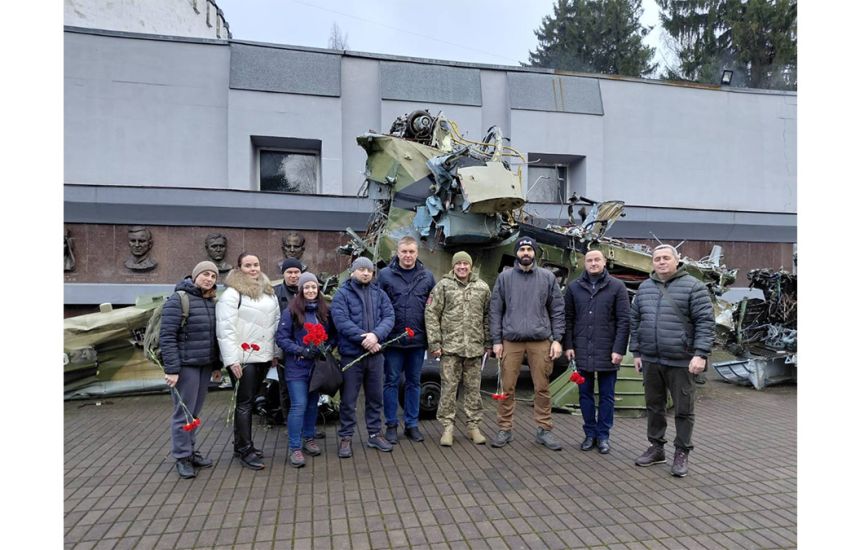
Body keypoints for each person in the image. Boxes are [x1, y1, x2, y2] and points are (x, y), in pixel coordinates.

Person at [630, 244, 715, 478]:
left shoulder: (694, 287)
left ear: (677, 261)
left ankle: (682, 451)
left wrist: (700, 354)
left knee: (683, 409)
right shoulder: (645, 288)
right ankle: (656, 448)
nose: (661, 262)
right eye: (657, 258)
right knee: (654, 406)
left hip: (682, 360)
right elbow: (635, 322)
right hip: (651, 358)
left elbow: (705, 323)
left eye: (666, 258)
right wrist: (636, 352)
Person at [488, 236, 565, 451]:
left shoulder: (548, 278)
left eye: (529, 249)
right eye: (521, 249)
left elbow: (557, 310)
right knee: (507, 387)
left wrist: (557, 340)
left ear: (535, 253)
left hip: (540, 341)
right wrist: (496, 340)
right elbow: (495, 311)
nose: (525, 253)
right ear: (516, 253)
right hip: (511, 341)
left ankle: (544, 429)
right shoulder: (504, 278)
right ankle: (504, 428)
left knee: (542, 387)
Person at [216, 252, 281, 470]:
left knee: (251, 402)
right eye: (248, 265)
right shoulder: (233, 294)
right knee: (244, 404)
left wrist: (275, 353)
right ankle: (245, 449)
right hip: (243, 359)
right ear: (239, 268)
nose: (253, 269)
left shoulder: (268, 291)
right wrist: (231, 360)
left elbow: (276, 324)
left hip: (264, 356)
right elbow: (225, 329)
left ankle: (242, 445)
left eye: (256, 264)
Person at [563, 249, 630, 455]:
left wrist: (618, 349)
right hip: (582, 350)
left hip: (608, 351)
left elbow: (624, 321)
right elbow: (568, 319)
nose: (593, 263)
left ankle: (603, 435)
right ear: (585, 264)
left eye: (597, 260)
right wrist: (569, 345)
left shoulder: (617, 287)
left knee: (607, 396)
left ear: (604, 262)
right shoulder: (574, 287)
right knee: (585, 395)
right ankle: (589, 433)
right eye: (589, 260)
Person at [161, 261, 222, 479]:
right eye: (205, 274)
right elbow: (166, 337)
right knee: (183, 413)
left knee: (193, 413)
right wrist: (172, 369)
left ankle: (190, 450)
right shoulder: (178, 300)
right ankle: (182, 457)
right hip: (185, 366)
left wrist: (216, 366)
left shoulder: (210, 301)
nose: (209, 279)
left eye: (213, 276)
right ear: (195, 276)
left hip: (204, 364)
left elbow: (213, 337)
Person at [330, 257, 395, 458]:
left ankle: (375, 434)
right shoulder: (342, 294)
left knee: (375, 397)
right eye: (361, 270)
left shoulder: (380, 294)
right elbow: (341, 321)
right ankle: (346, 438)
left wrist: (376, 335)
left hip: (375, 356)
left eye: (369, 270)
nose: (366, 273)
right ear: (353, 272)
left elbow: (389, 317)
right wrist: (364, 339)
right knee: (349, 399)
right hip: (352, 356)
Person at [425, 251, 491, 447]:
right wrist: (435, 344)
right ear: (453, 266)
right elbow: (431, 314)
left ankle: (473, 427)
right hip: (450, 349)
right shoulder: (443, 286)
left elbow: (488, 317)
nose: (462, 267)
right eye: (458, 264)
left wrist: (488, 342)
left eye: (465, 264)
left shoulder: (482, 288)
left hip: (474, 349)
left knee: (473, 390)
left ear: (470, 266)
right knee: (448, 389)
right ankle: (447, 427)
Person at [275, 272, 337, 468]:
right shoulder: (291, 312)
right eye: (306, 287)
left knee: (312, 405)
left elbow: (334, 335)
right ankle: (295, 447)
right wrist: (300, 350)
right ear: (301, 290)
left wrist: (326, 348)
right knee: (299, 405)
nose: (310, 290)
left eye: (313, 287)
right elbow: (282, 338)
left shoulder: (324, 311)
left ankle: (309, 438)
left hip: (316, 367)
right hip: (297, 367)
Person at [377, 236, 436, 444]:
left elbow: (433, 308)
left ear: (417, 253)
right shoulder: (384, 275)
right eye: (404, 252)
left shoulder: (427, 277)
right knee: (391, 382)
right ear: (397, 252)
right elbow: (378, 307)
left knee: (414, 383)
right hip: (393, 340)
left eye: (411, 252)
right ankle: (391, 424)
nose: (408, 256)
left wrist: (434, 340)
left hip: (417, 341)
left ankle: (412, 424)